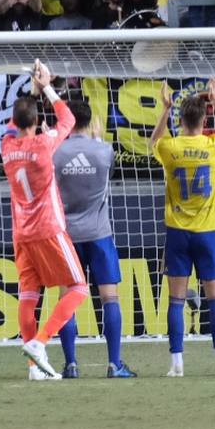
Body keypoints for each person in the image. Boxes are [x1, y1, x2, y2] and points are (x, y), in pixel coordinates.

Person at [1, 59, 91, 379]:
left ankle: (33, 369)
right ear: (36, 121)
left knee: (28, 296)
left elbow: (19, 119)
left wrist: (33, 91)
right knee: (79, 288)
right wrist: (48, 86)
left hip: (21, 232)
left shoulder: (6, 146)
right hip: (49, 229)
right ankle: (40, 344)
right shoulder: (43, 144)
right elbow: (67, 117)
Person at [150, 78, 215, 377]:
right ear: (204, 120)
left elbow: (153, 142)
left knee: (176, 300)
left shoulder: (170, 148)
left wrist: (164, 110)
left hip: (177, 233)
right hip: (207, 232)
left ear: (180, 119)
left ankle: (176, 365)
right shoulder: (213, 146)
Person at [52, 99, 135, 379]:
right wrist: (98, 137)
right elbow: (107, 172)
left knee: (67, 299)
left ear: (68, 120)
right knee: (109, 298)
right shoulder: (104, 150)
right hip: (99, 234)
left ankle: (71, 364)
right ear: (90, 121)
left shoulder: (56, 153)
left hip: (68, 236)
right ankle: (114, 364)